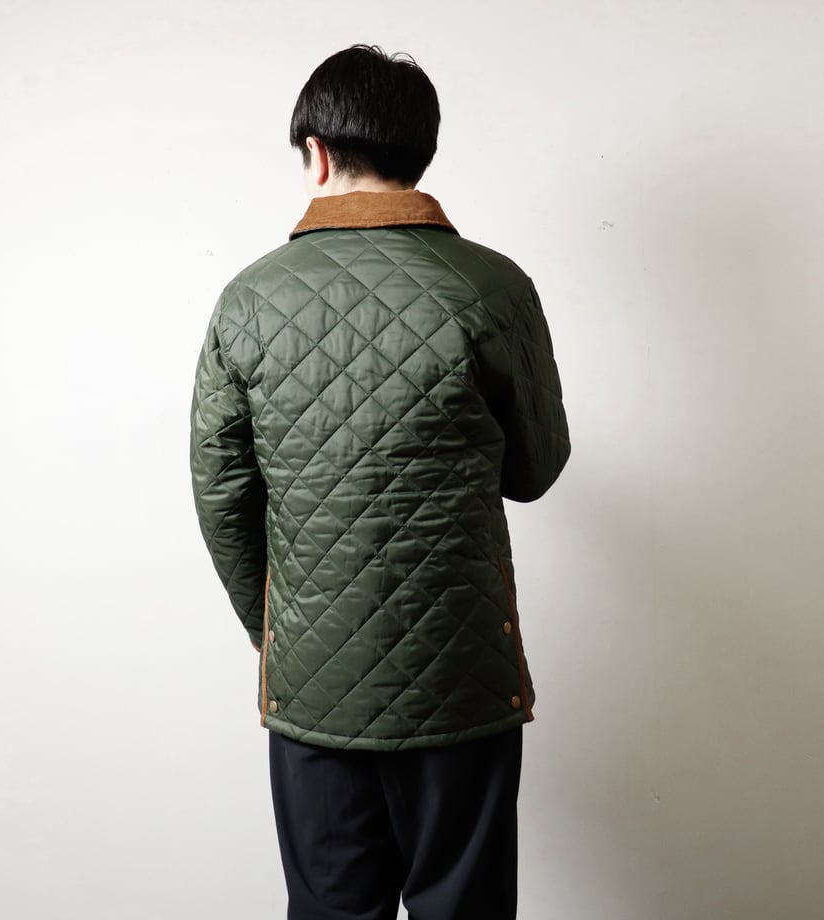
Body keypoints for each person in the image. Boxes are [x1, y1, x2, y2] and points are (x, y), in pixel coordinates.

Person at [190, 44, 570, 920]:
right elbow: (535, 469)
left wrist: (280, 633)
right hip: (463, 677)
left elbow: (222, 498)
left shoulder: (248, 299)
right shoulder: (495, 286)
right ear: (420, 152)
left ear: (316, 151)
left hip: (314, 685)